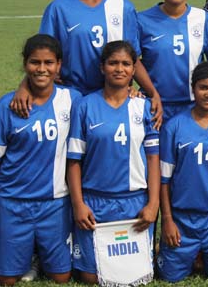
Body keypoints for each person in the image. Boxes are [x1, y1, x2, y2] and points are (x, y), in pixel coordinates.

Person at [12, 0, 163, 126]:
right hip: (70, 99)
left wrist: (153, 93)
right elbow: (41, 56)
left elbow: (133, 58)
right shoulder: (58, 9)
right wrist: (24, 86)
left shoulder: (123, 8)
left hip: (113, 99)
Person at [0, 34, 80, 286]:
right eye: (35, 62)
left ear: (59, 65)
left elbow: (106, 99)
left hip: (55, 203)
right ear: (25, 64)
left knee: (61, 277)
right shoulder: (5, 107)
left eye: (49, 62)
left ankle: (37, 253)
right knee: (5, 279)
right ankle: (25, 253)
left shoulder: (72, 100)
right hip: (13, 202)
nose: (42, 69)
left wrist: (132, 92)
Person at [66, 41, 160, 284]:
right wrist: (78, 204)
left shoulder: (143, 107)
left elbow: (153, 159)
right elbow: (74, 161)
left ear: (134, 70)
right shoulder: (85, 106)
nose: (119, 69)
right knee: (90, 277)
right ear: (102, 67)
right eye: (113, 63)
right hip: (95, 200)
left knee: (137, 275)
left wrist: (153, 203)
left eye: (126, 64)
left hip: (134, 201)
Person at [156, 61, 208, 282]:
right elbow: (164, 180)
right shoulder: (174, 127)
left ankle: (204, 254)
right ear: (193, 88)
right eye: (203, 87)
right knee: (169, 276)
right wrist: (167, 220)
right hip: (182, 219)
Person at [138, 0, 208, 122]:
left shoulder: (204, 19)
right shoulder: (141, 20)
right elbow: (132, 61)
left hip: (194, 108)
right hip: (153, 106)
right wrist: (150, 93)